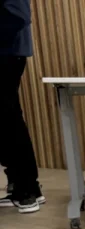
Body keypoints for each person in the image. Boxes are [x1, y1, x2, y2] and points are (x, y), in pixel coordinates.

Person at [0, 0, 44, 213]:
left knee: (9, 120)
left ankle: (27, 189)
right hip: (7, 52)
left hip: (8, 54)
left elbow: (19, 16)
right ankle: (21, 185)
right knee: (6, 119)